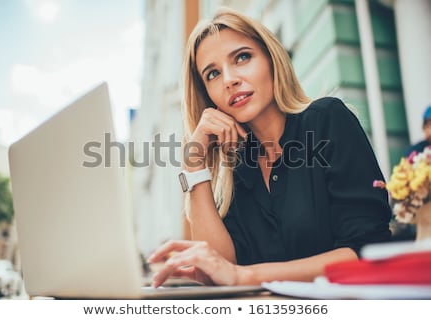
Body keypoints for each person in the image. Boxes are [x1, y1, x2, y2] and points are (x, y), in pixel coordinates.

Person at [147, 8, 391, 287]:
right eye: (213, 74)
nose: (229, 80)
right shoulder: (236, 170)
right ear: (208, 95)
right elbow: (222, 268)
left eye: (242, 57)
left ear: (271, 60)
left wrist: (247, 276)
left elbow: (367, 251)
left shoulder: (327, 120)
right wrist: (195, 161)